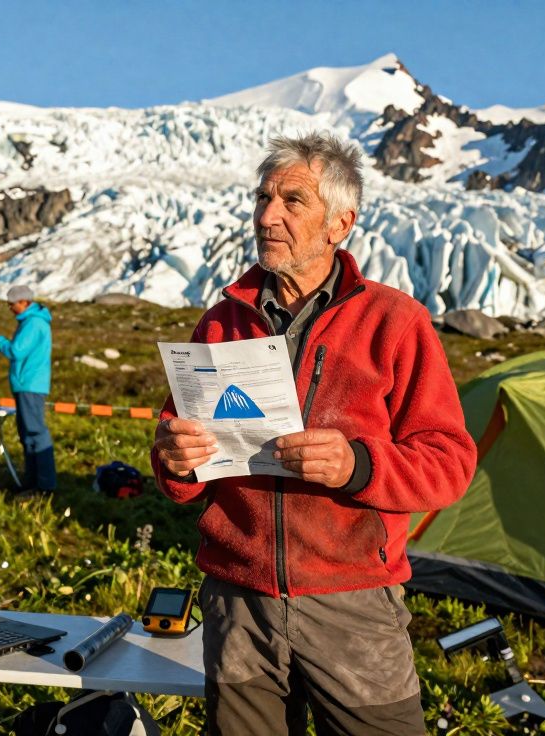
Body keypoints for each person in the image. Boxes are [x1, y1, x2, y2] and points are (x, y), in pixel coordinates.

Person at [151, 133, 477, 735]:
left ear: (340, 223)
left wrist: (358, 465)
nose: (267, 215)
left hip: (351, 600)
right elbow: (181, 468)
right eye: (263, 198)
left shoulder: (394, 322)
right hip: (238, 599)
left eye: (292, 201)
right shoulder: (221, 321)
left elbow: (450, 462)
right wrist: (173, 459)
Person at [0, 284, 56, 496]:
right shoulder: (33, 321)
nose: (10, 308)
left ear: (24, 302)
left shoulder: (34, 323)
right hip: (28, 384)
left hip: (30, 384)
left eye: (11, 304)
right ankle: (33, 482)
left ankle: (44, 485)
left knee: (35, 433)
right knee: (28, 434)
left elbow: (16, 351)